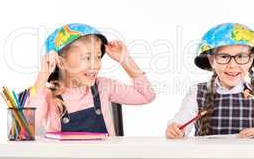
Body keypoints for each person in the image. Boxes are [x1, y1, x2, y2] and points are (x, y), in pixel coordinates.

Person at [26, 23, 156, 136]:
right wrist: (42, 76)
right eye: (87, 58)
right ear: (61, 62)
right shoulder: (48, 96)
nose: (95, 65)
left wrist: (125, 59)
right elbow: (25, 128)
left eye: (98, 57)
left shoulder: (103, 87)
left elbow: (146, 96)